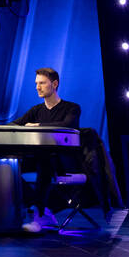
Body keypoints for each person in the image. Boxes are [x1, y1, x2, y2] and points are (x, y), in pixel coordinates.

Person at [11, 67, 82, 232]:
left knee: (44, 159)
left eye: (42, 83)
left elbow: (67, 125)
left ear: (55, 84)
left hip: (65, 161)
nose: (37, 87)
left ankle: (40, 212)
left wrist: (38, 125)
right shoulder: (36, 110)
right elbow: (15, 124)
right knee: (8, 165)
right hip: (41, 159)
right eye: (36, 83)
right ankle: (40, 207)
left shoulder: (72, 108)